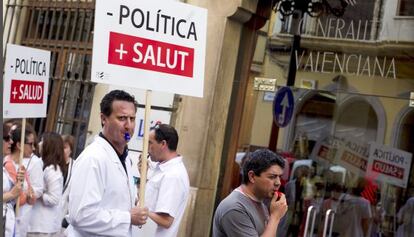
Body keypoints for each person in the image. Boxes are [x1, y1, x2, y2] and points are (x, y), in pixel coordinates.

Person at [67, 90, 148, 236]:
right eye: (122, 118)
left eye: (132, 118)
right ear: (104, 118)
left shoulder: (125, 159)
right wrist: (128, 217)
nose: (129, 126)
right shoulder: (93, 158)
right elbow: (81, 215)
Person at [212, 149, 288, 237]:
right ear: (252, 176)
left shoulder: (260, 204)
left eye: (279, 177)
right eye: (272, 177)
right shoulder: (234, 207)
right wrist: (275, 217)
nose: (278, 182)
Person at [143, 123, 190, 237]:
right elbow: (149, 201)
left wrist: (142, 211)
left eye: (150, 143)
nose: (147, 147)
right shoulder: (163, 168)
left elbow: (166, 221)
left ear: (163, 144)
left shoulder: (173, 175)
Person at [5, 126, 44, 237]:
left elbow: (32, 197)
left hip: (21, 223)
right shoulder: (8, 164)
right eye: (30, 144)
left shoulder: (23, 166)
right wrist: (25, 195)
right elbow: (18, 198)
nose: (34, 148)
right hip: (8, 223)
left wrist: (29, 195)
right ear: (18, 145)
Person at [28, 132, 67, 236]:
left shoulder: (53, 170)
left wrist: (39, 193)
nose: (39, 144)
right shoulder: (41, 163)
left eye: (43, 141)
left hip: (43, 226)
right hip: (36, 223)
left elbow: (54, 198)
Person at [3, 123, 25, 237]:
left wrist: (18, 181)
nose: (11, 142)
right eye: (7, 138)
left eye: (11, 138)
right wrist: (11, 194)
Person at [58, 134, 75, 236]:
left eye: (64, 147)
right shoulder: (54, 164)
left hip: (64, 212)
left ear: (71, 150)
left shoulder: (75, 166)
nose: (62, 150)